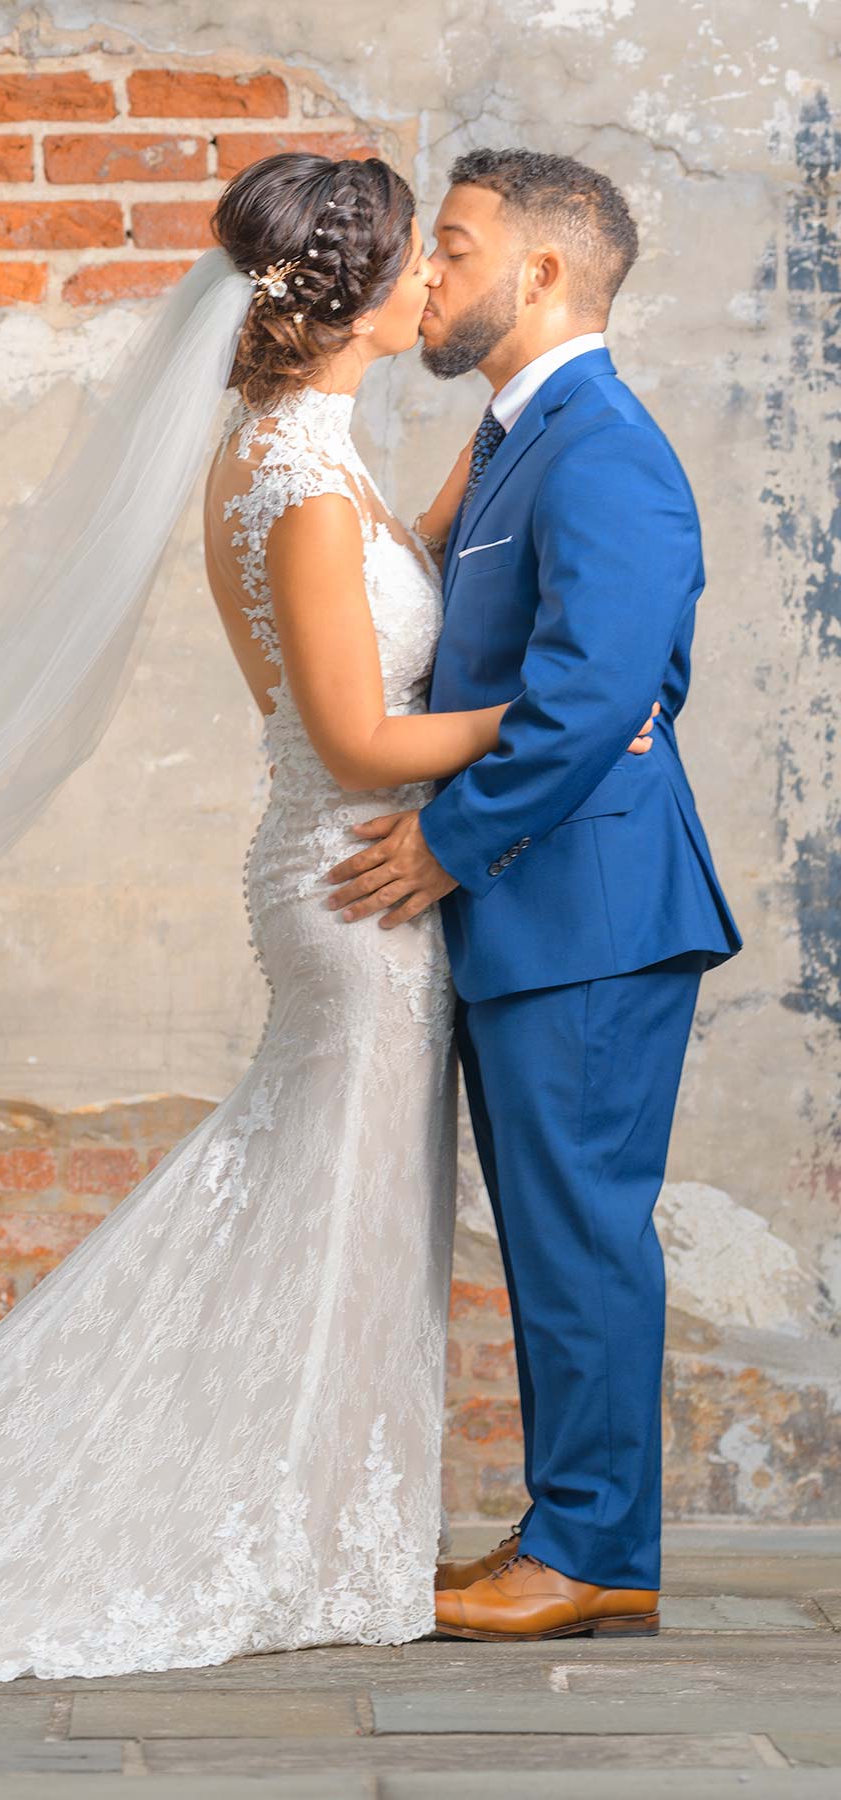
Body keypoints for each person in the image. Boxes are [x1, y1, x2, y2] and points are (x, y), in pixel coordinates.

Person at [0, 150, 657, 1688]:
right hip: (355, 885)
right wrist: (578, 714)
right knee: (329, 1215)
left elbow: (438, 564)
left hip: (358, 880)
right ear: (362, 295)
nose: (434, 282)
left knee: (336, 1219)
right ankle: (274, 1532)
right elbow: (361, 739)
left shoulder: (315, 456)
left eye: (452, 256)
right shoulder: (299, 487)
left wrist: (496, 492)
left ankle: (326, 1530)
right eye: (420, 261)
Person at [325, 148, 743, 1640]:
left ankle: (593, 1553)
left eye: (451, 249)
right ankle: (572, 1530)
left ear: (543, 273)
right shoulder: (518, 439)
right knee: (557, 1228)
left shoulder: (603, 444)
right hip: (545, 904)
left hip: (592, 906)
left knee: (579, 1234)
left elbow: (603, 691)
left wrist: (447, 843)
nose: (426, 277)